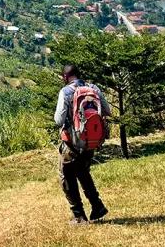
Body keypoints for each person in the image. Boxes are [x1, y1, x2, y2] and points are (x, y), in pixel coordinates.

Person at [54, 64, 111, 224]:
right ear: (79, 75)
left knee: (66, 176)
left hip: (72, 142)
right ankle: (97, 206)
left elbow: (58, 120)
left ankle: (78, 215)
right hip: (90, 141)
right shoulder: (93, 88)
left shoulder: (65, 92)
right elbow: (106, 111)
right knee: (83, 173)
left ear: (65, 77)